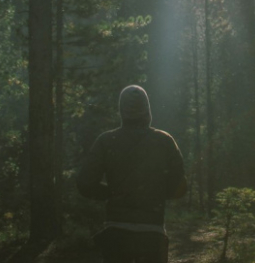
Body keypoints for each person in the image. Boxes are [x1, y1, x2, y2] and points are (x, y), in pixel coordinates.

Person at [77, 85, 187, 263]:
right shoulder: (164, 140)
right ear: (148, 111)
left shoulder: (106, 141)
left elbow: (84, 184)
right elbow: (180, 188)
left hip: (116, 232)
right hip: (152, 232)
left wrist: (111, 193)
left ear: (122, 111)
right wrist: (154, 194)